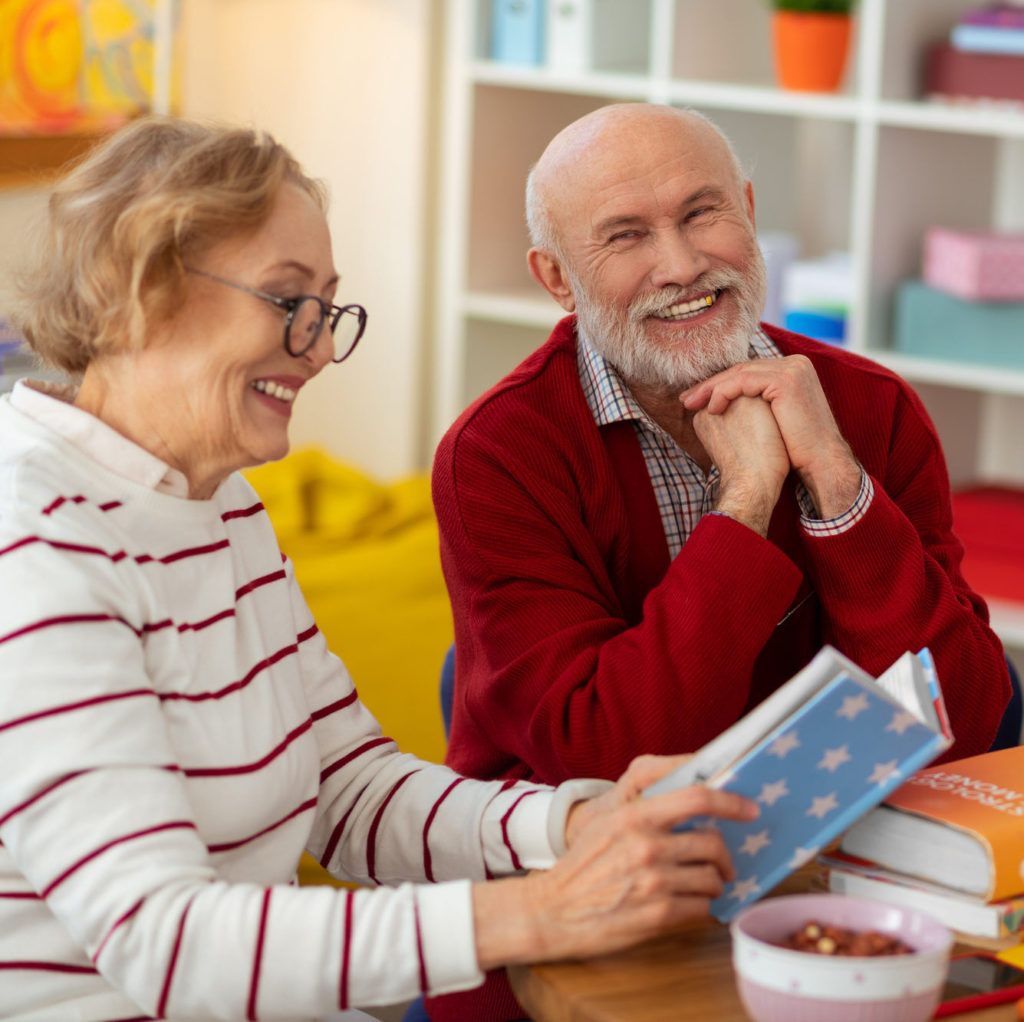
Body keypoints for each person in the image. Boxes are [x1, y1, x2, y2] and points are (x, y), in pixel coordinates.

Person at [0, 116, 760, 1022]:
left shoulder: (217, 503)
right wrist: (536, 912)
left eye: (327, 310)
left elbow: (350, 790)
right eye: (289, 304)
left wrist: (569, 824)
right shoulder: (36, 544)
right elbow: (165, 945)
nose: (319, 350)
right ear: (138, 291)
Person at [428, 101, 1012, 1019]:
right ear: (557, 278)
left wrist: (835, 482)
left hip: (837, 898)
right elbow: (611, 755)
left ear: (746, 208)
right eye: (625, 235)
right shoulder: (500, 455)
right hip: (586, 922)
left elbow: (966, 719)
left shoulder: (868, 409)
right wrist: (746, 504)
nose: (683, 263)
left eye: (703, 212)